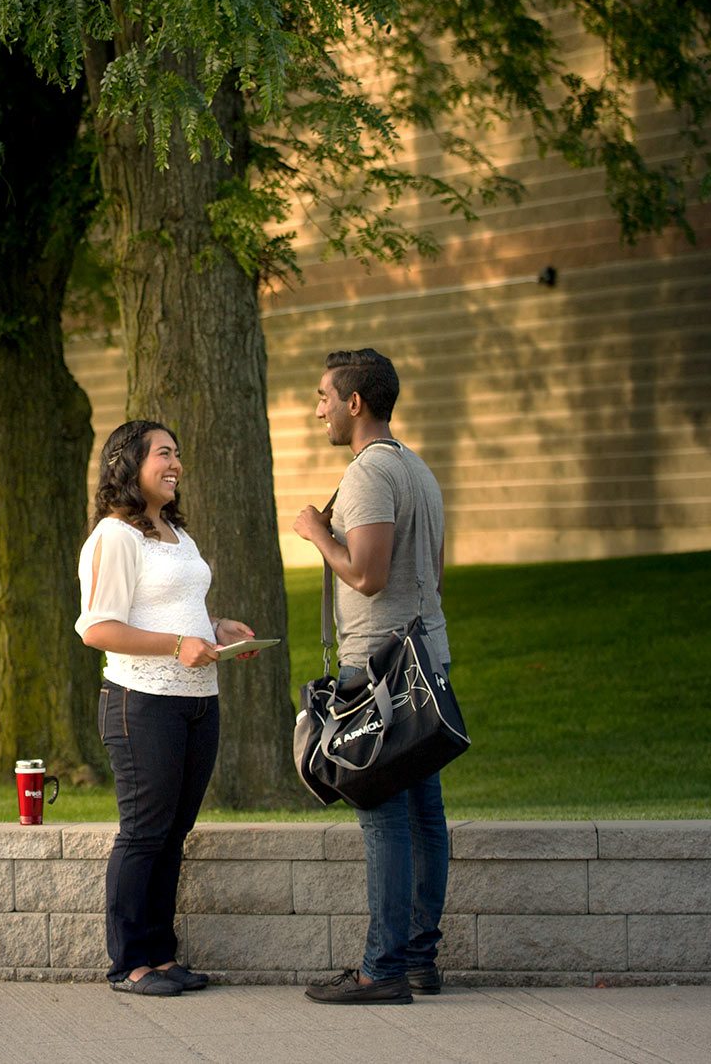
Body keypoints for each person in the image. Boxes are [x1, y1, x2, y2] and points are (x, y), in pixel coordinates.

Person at [74, 419, 261, 997]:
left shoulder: (175, 534)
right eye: (162, 454)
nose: (175, 463)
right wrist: (179, 645)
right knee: (144, 832)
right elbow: (97, 628)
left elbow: (177, 609)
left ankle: (160, 955)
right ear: (129, 465)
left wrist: (215, 627)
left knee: (174, 831)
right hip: (141, 703)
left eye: (178, 453)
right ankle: (129, 963)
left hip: (197, 702)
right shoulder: (116, 535)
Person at [293, 348, 452, 1005]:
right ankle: (417, 960)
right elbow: (433, 577)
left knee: (384, 816)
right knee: (423, 815)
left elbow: (368, 573)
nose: (319, 408)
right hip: (425, 661)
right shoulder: (419, 470)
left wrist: (316, 534)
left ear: (355, 402)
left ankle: (381, 970)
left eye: (325, 396)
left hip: (380, 672)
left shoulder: (366, 476)